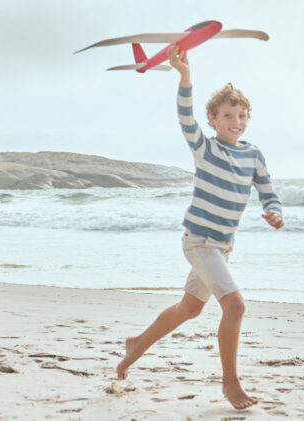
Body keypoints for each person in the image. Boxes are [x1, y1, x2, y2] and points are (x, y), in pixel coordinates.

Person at [115, 45, 284, 410]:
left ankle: (137, 344)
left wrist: (273, 212)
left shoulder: (253, 155)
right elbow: (184, 117)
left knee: (189, 309)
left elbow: (269, 192)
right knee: (235, 307)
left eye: (241, 115)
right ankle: (230, 382)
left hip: (223, 245)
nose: (235, 122)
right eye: (227, 115)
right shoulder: (205, 149)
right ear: (212, 118)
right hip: (199, 242)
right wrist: (185, 77)